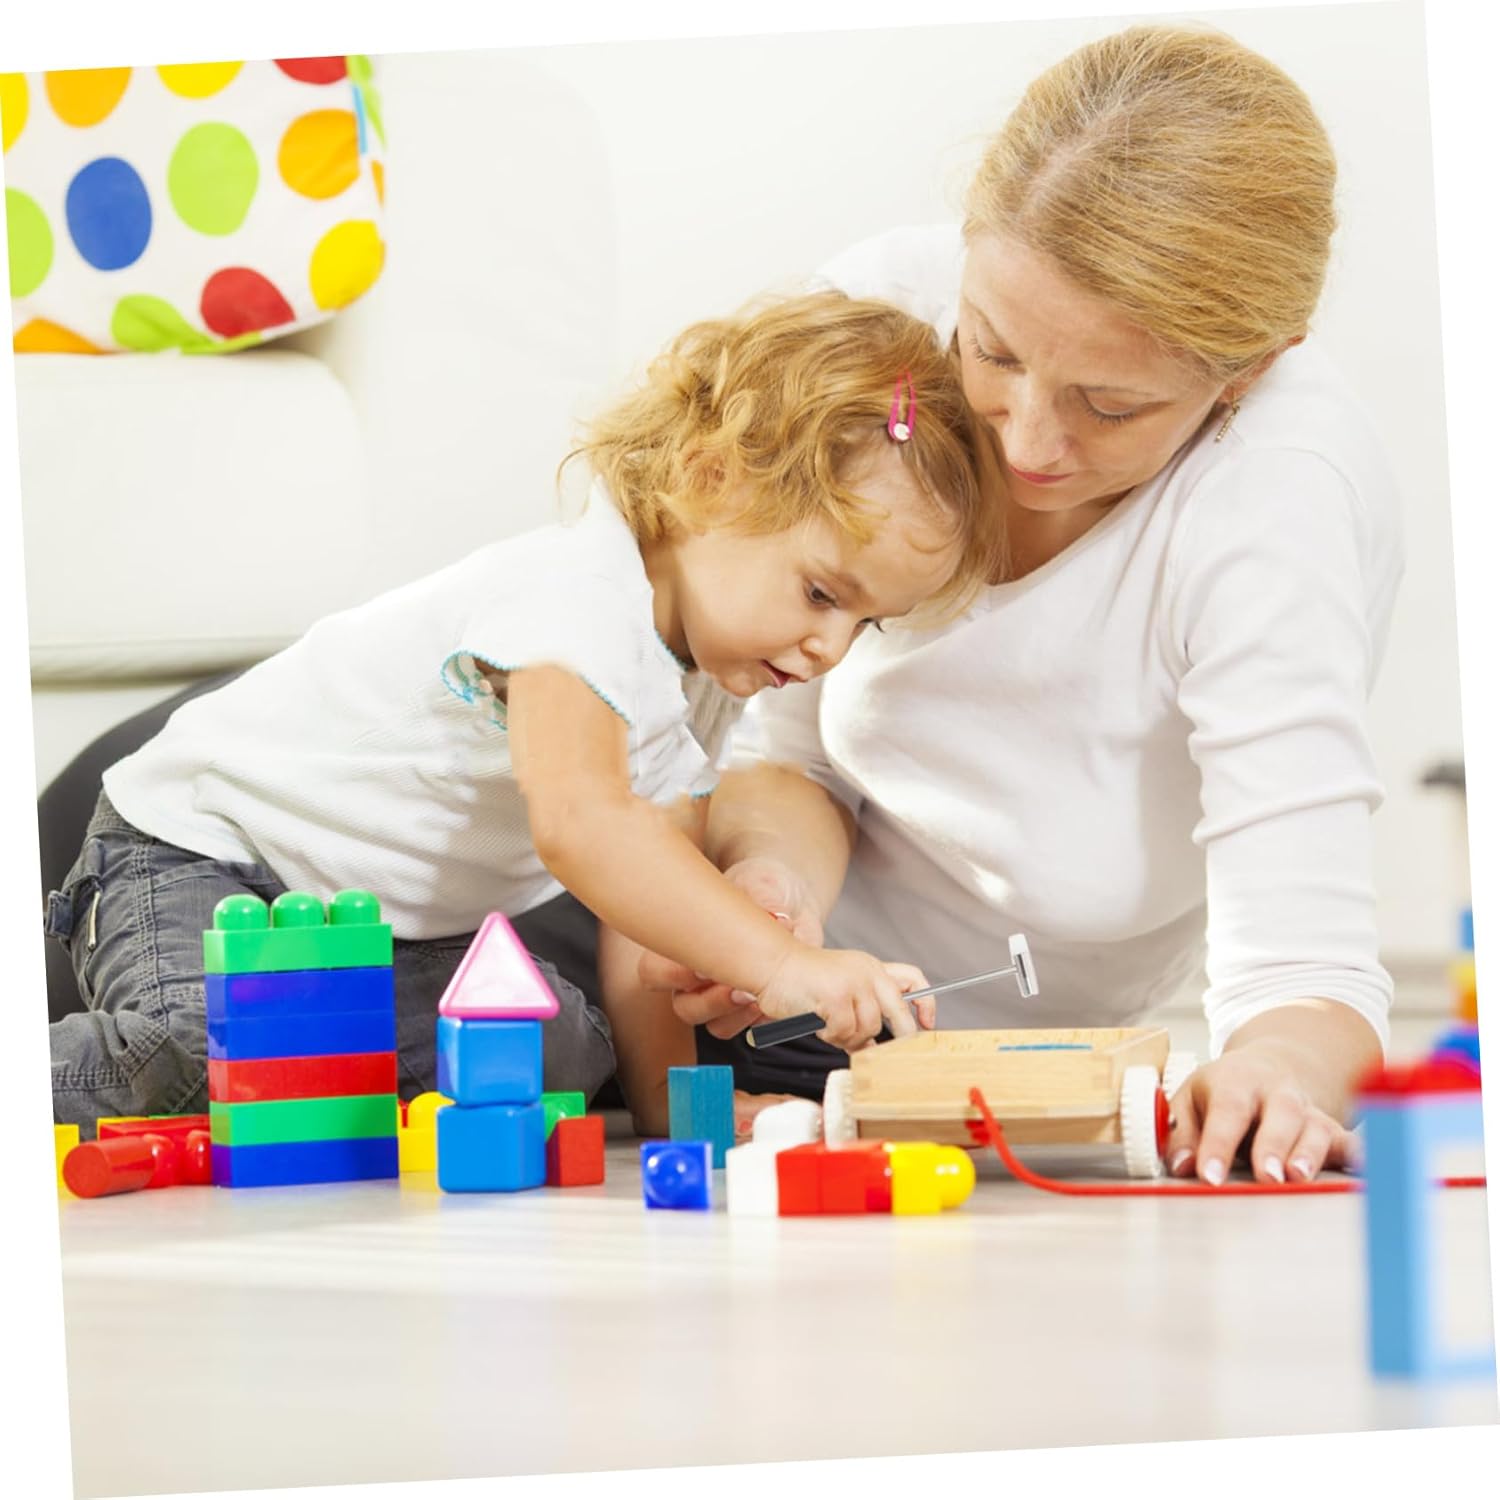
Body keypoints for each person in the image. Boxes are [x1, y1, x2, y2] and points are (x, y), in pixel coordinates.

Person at [603, 23, 1404, 1185]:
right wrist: (768, 896)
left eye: (1110, 407)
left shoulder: (1281, 503)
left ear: (1253, 369)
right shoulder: (883, 333)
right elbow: (787, 749)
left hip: (985, 1063)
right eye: (993, 351)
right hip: (768, 997)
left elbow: (1305, 970)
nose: (1027, 441)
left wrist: (1273, 1072)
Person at [45, 291, 1003, 1129]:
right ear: (712, 481)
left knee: (556, 1050)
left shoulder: (700, 683)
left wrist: (676, 1107)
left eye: (865, 624)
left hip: (375, 934)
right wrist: (781, 966)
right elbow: (582, 825)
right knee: (219, 1059)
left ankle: (315, 1067)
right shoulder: (574, 602)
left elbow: (643, 913)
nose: (831, 650)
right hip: (205, 855)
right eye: (822, 595)